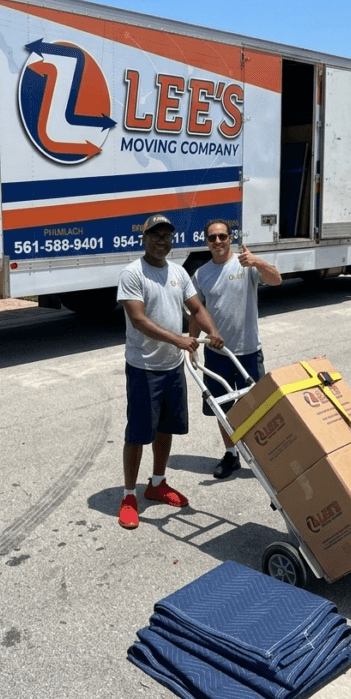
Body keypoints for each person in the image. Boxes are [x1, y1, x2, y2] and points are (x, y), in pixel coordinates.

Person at [116, 214, 224, 529]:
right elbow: (138, 320)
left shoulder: (178, 272)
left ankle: (157, 484)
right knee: (137, 433)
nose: (163, 241)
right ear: (144, 238)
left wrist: (212, 331)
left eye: (167, 236)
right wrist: (178, 338)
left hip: (172, 367)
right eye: (156, 235)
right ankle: (128, 495)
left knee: (165, 428)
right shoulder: (133, 273)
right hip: (144, 367)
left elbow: (197, 307)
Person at [189, 219, 282, 479]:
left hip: (249, 351)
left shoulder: (245, 264)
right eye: (212, 238)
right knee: (222, 408)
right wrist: (192, 345)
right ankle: (231, 455)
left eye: (222, 236)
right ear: (206, 242)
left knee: (257, 408)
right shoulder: (201, 275)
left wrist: (258, 262)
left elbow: (276, 280)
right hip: (217, 354)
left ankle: (266, 456)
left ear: (230, 238)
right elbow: (196, 312)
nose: (218, 241)